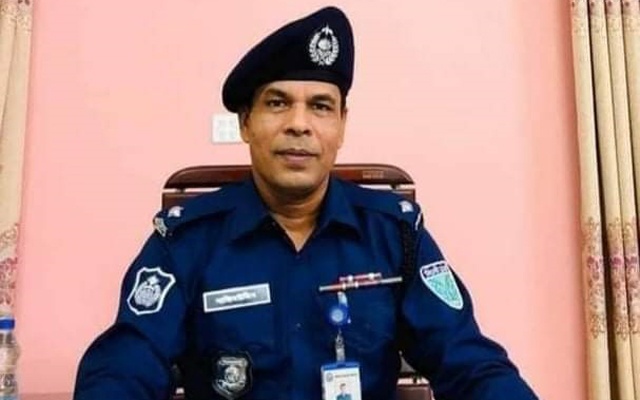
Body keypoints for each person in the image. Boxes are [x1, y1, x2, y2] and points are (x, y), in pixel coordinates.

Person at [74, 6, 538, 400]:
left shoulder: (394, 235)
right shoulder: (186, 241)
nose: (299, 124)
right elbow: (125, 365)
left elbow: (468, 362)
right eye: (277, 103)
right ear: (245, 123)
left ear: (341, 125)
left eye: (320, 106)